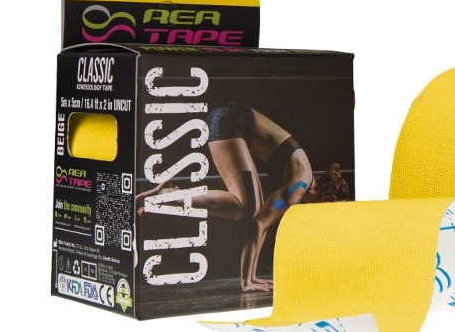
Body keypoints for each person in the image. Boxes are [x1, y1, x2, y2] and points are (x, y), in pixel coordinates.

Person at [136, 102, 350, 292]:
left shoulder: (303, 174)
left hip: (233, 120)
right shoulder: (299, 186)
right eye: (320, 206)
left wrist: (254, 276)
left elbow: (264, 222)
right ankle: (169, 195)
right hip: (230, 121)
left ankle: (171, 195)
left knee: (253, 209)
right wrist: (246, 281)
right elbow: (258, 224)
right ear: (323, 196)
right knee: (244, 208)